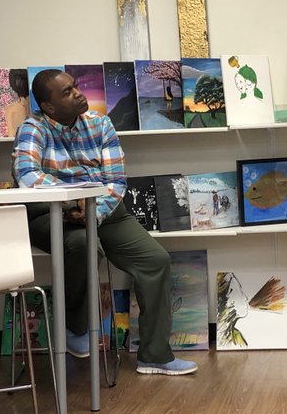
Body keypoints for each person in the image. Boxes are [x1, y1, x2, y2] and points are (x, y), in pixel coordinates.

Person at [12, 69, 197, 376]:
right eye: (67, 92)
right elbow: (27, 176)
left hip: (104, 210)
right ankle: (76, 327)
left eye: (75, 87)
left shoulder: (100, 123)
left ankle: (154, 354)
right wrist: (73, 202)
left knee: (156, 260)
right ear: (49, 107)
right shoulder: (33, 128)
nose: (78, 93)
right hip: (51, 215)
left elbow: (115, 180)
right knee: (85, 245)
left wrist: (92, 211)